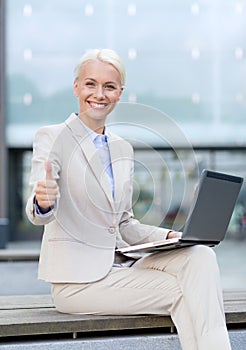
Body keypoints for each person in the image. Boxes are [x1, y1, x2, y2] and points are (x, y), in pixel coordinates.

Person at [26, 49, 231, 350]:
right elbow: (37, 210)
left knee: (200, 256)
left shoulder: (123, 149)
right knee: (185, 290)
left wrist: (173, 236)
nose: (99, 94)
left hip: (120, 270)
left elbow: (123, 223)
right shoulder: (53, 137)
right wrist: (44, 201)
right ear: (76, 87)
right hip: (77, 283)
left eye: (109, 86)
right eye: (90, 84)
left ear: (120, 93)